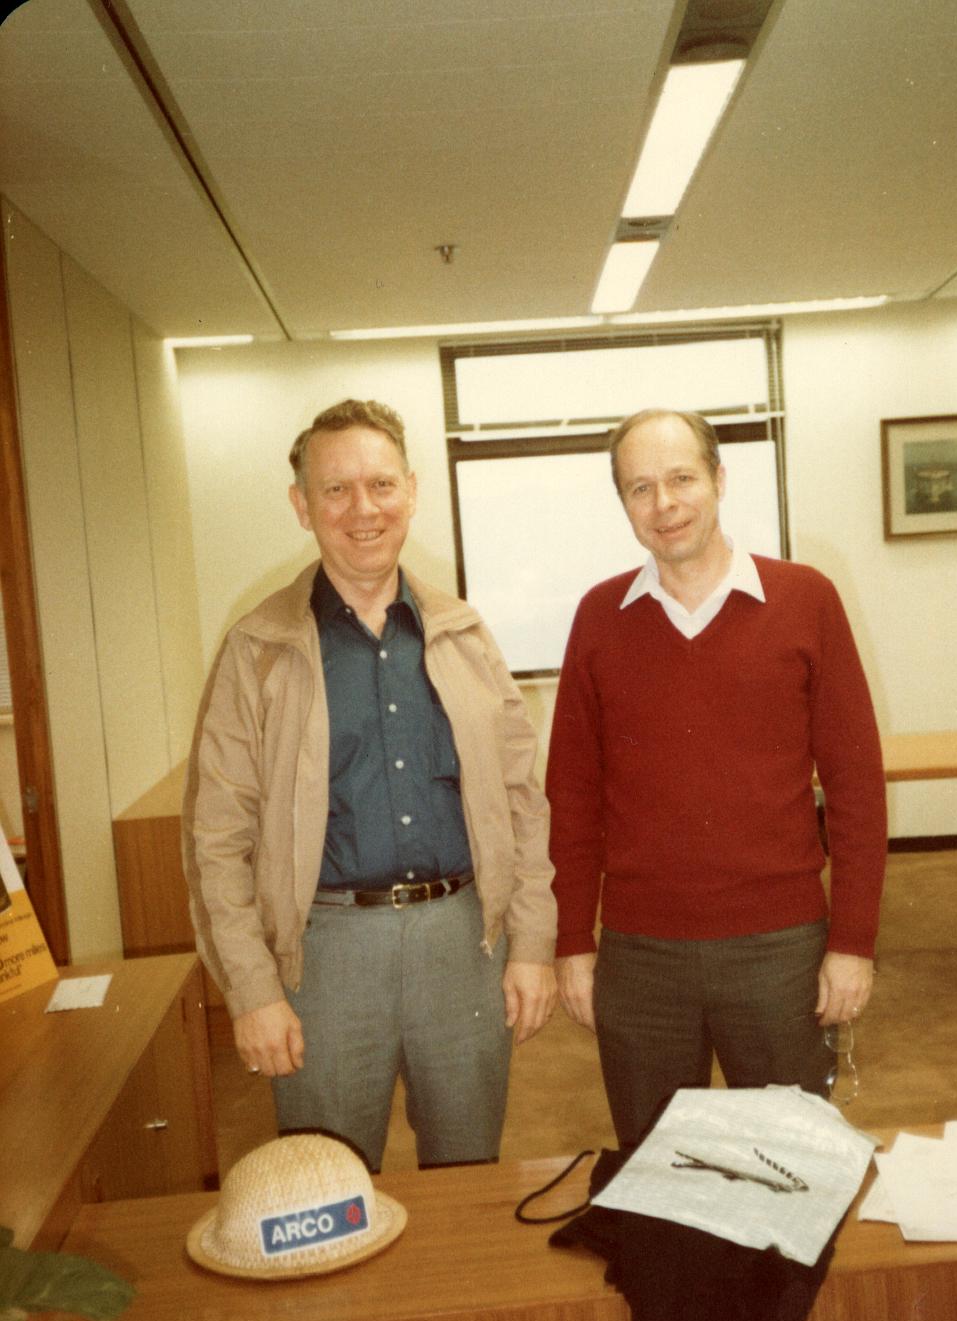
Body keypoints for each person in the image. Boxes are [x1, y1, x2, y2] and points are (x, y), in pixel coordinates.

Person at [183, 398, 557, 1170]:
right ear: (302, 505)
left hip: (462, 942)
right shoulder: (259, 648)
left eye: (382, 485)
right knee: (328, 1184)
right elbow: (216, 841)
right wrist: (253, 989)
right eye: (337, 489)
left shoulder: (463, 634)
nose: (364, 509)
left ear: (411, 492)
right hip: (326, 953)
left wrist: (533, 944)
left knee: (468, 1174)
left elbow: (523, 801)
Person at [545, 409, 887, 1148]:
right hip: (640, 957)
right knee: (657, 1171)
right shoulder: (600, 616)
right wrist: (573, 939)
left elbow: (857, 786)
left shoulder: (806, 599)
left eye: (681, 478)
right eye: (640, 487)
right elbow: (571, 796)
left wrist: (853, 941)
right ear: (623, 501)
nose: (664, 503)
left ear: (719, 479)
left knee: (794, 1163)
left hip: (780, 950)